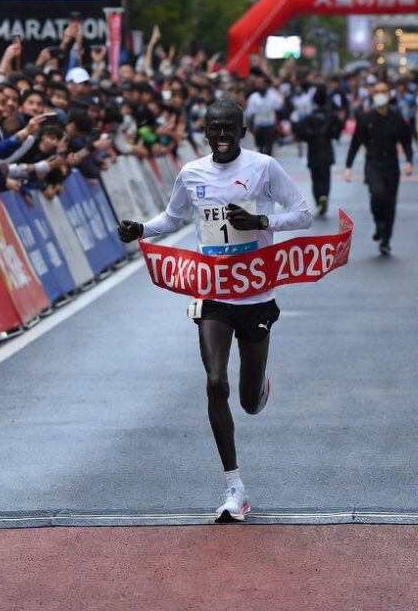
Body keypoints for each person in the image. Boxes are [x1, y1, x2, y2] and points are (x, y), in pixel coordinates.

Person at [117, 98, 312, 523]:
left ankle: (260, 385)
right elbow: (172, 218)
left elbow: (303, 215)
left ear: (242, 131)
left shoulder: (263, 167)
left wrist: (262, 224)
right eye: (214, 129)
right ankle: (234, 485)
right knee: (214, 382)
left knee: (247, 400)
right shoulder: (192, 173)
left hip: (256, 291)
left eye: (229, 129)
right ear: (205, 132)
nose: (222, 136)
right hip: (214, 291)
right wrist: (141, 231)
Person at [344, 79, 413, 256]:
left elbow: (406, 141)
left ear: (389, 95)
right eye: (377, 92)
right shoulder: (366, 118)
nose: (380, 95)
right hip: (373, 164)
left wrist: (409, 161)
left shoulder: (397, 118)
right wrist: (348, 166)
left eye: (383, 91)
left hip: (391, 164)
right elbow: (355, 143)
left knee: (390, 203)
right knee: (377, 194)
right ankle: (378, 223)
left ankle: (386, 239)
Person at [299, 84, 342, 215]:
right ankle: (324, 195)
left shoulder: (308, 117)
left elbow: (302, 133)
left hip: (313, 150)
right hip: (326, 150)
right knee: (326, 176)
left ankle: (318, 199)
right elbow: (337, 132)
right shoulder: (332, 116)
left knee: (315, 177)